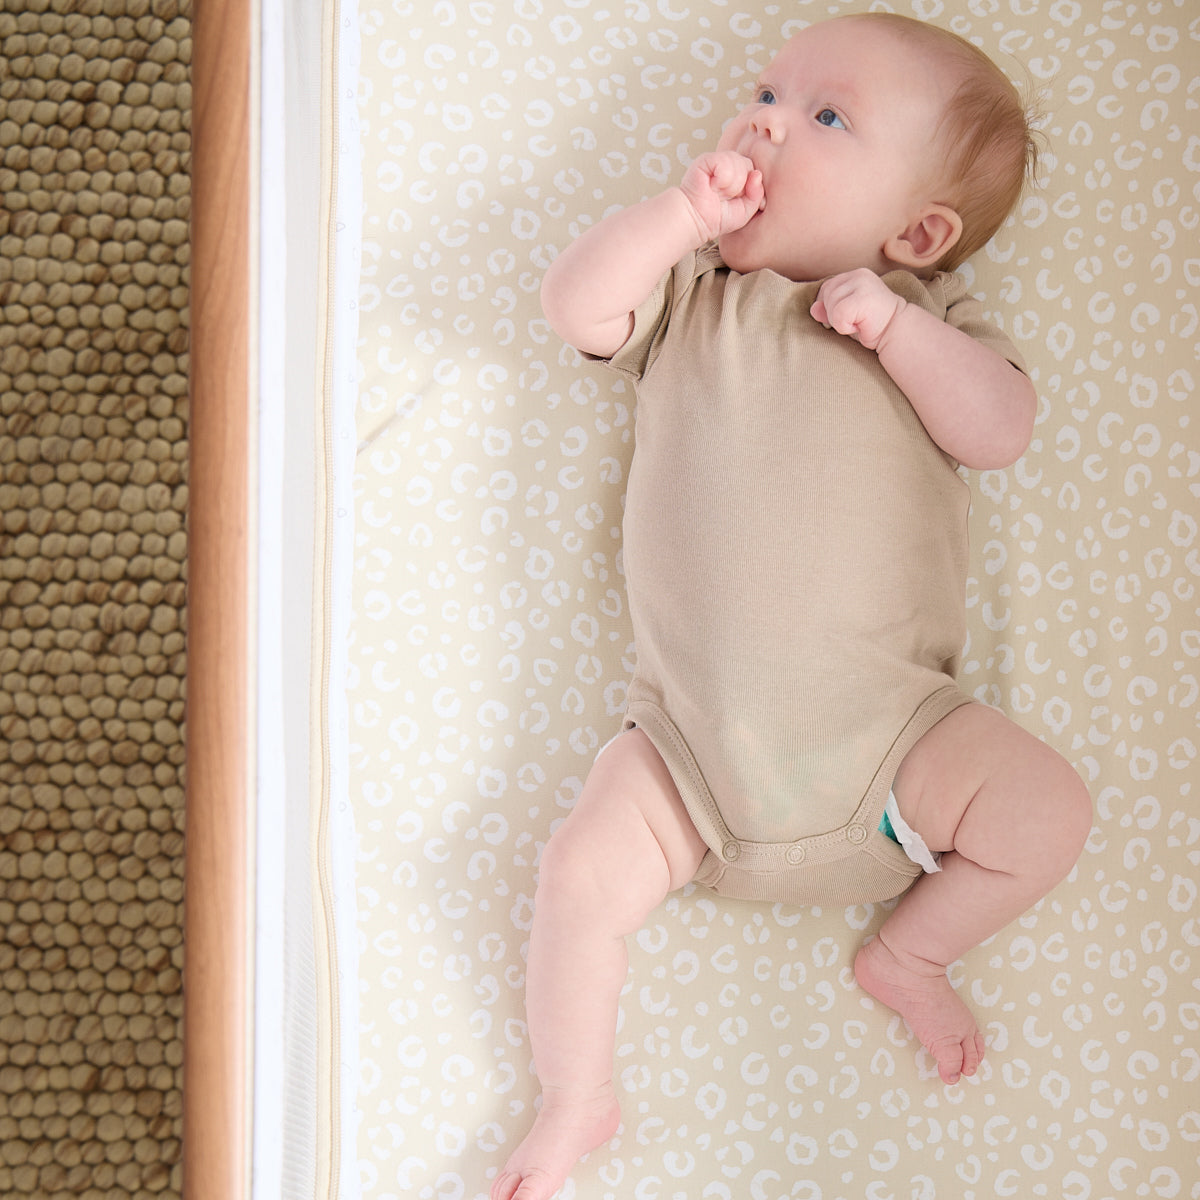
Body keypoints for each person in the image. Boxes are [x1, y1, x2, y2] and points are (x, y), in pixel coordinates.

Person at [491, 13, 1092, 1200]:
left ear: (916, 231)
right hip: (687, 759)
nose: (763, 119)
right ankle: (575, 1097)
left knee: (1052, 814)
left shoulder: (930, 315)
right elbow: (575, 308)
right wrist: (679, 216)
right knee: (577, 878)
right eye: (765, 92)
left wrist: (902, 329)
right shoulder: (693, 297)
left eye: (825, 117)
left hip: (895, 746)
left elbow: (1002, 429)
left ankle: (912, 954)